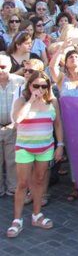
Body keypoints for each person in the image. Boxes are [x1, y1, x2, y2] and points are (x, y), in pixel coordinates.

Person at [7, 71, 64, 238]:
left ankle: (36, 215)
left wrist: (60, 145)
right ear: (29, 86)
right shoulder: (21, 100)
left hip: (45, 147)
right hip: (24, 147)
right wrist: (31, 100)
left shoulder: (52, 102)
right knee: (22, 184)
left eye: (43, 86)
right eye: (36, 85)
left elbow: (58, 124)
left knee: (39, 181)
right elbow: (18, 119)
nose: (40, 89)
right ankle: (17, 220)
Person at [0, 54, 23, 198]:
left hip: (12, 126)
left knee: (12, 160)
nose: (0, 70)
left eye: (3, 67)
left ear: (10, 67)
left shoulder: (21, 82)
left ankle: (13, 187)